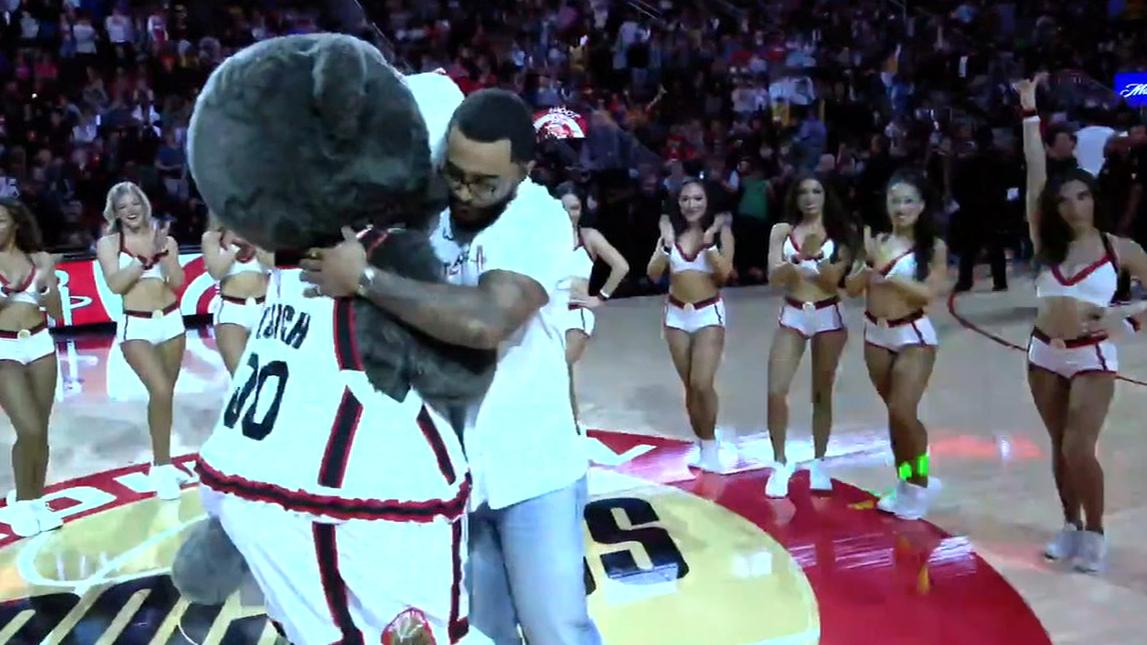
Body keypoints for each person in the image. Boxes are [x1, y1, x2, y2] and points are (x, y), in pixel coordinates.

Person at [304, 88, 601, 644]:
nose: (465, 191)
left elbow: (488, 318)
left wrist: (366, 279)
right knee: (482, 634)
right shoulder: (435, 213)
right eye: (455, 174)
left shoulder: (537, 216)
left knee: (557, 629)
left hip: (534, 467)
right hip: (452, 472)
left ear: (525, 169)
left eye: (485, 182)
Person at [1016, 75, 1147, 573]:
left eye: (1082, 197)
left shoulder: (1122, 248)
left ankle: (1096, 532)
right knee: (1058, 446)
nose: (1073, 206)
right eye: (1064, 199)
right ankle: (1069, 524)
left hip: (1093, 355)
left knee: (1078, 444)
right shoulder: (1045, 239)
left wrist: (1124, 324)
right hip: (1042, 354)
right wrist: (1030, 112)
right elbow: (1034, 170)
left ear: (1095, 198)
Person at [844, 168, 947, 521]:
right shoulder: (876, 241)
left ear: (921, 206)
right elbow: (854, 289)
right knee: (894, 417)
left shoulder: (932, 247)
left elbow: (927, 295)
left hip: (912, 336)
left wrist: (887, 270)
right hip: (875, 333)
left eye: (908, 201)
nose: (901, 207)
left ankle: (920, 480)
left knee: (904, 412)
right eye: (894, 200)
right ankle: (905, 481)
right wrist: (868, 264)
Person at [764, 175, 858, 497]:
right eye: (803, 191)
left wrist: (816, 258)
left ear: (826, 195)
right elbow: (774, 278)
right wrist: (795, 259)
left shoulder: (841, 235)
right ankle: (779, 463)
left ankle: (819, 461)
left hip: (828, 315)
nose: (809, 197)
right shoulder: (781, 232)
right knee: (776, 389)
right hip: (792, 313)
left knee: (822, 392)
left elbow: (834, 282)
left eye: (816, 190)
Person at [95, 182, 189, 500]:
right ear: (116, 213)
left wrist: (164, 254)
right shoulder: (109, 244)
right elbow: (116, 285)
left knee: (165, 395)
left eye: (135, 203)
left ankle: (163, 462)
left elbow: (177, 283)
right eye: (123, 207)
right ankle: (162, 467)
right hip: (136, 327)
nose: (131, 210)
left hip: (172, 320)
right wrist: (144, 258)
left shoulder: (166, 240)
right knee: (159, 390)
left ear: (144, 204)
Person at [647, 179, 736, 473]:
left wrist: (709, 244)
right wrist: (664, 247)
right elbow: (652, 273)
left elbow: (724, 274)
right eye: (685, 199)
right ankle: (703, 443)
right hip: (675, 315)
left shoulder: (721, 233)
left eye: (698, 198)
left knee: (702, 382)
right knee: (689, 386)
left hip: (708, 313)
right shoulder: (670, 232)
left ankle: (711, 445)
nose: (691, 204)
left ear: (708, 201)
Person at [0, 198, 63, 537]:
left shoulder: (39, 260)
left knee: (41, 427)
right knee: (29, 429)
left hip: (39, 343)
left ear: (16, 224)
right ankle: (22, 503)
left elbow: (57, 311)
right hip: (2, 347)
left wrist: (44, 289)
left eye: (0, 220)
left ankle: (37, 498)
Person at [555, 183, 629, 428]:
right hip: (546, 314)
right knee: (555, 374)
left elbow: (621, 266)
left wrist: (601, 297)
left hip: (577, 313)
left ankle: (573, 427)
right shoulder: (542, 239)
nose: (569, 213)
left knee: (560, 367)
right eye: (564, 208)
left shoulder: (590, 237)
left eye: (574, 208)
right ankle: (567, 426)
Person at [202, 217, 273, 375]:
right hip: (231, 311)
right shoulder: (212, 237)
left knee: (267, 375)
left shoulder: (266, 232)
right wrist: (233, 249)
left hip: (265, 309)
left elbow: (272, 264)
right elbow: (217, 272)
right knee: (241, 377)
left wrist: (255, 241)